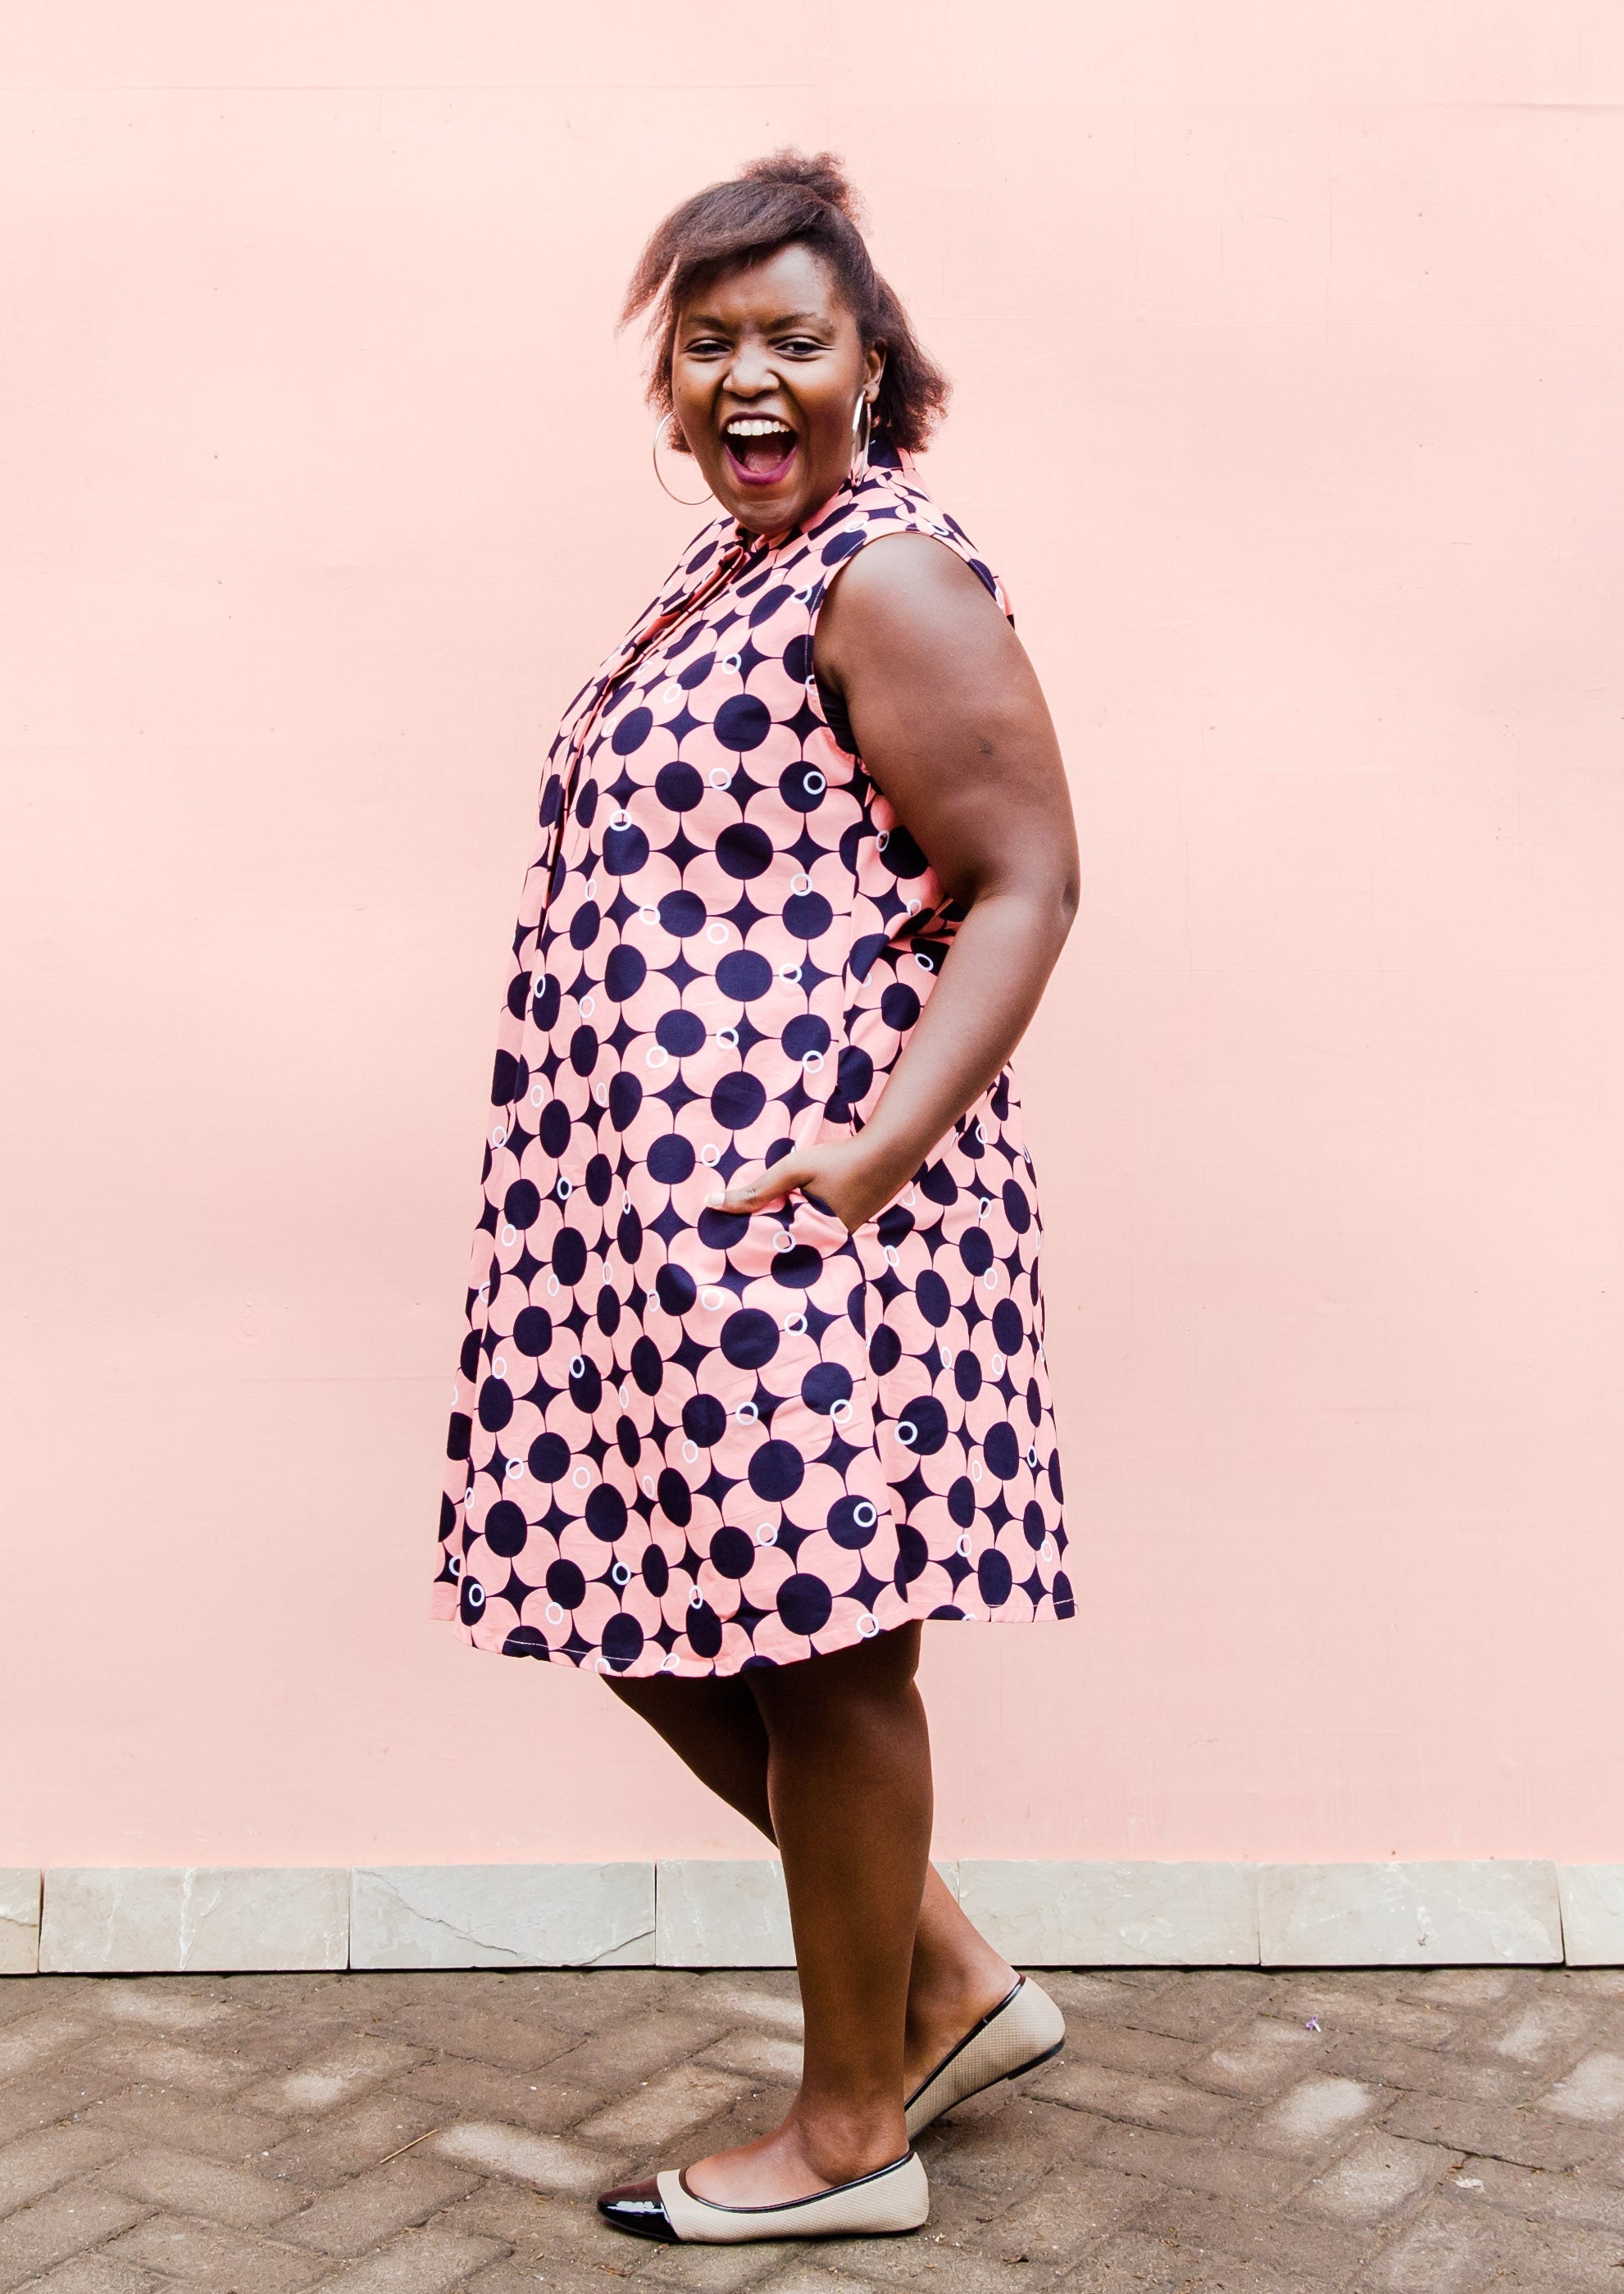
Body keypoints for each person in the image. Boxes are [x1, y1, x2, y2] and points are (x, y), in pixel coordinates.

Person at [433, 150, 1080, 2246]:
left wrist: (881, 1144)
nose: (742, 378)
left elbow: (1024, 875)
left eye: (789, 338)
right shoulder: (727, 577)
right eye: (705, 343)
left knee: (828, 1649)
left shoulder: (882, 570)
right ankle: (953, 1984)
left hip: (815, 1200)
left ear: (870, 362)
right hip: (653, 1228)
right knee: (644, 1598)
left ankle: (848, 2134)